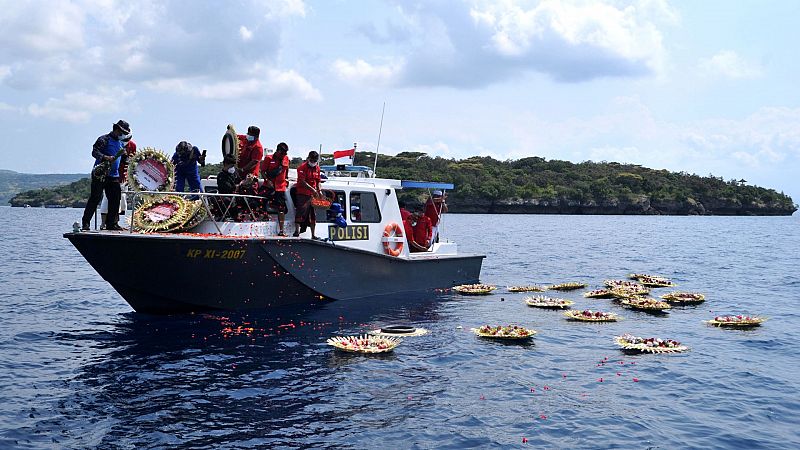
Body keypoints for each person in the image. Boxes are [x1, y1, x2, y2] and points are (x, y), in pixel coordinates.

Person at [81, 120, 131, 231]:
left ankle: (111, 224)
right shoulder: (104, 139)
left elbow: (124, 160)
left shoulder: (120, 143)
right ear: (117, 129)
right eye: (121, 132)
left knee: (115, 199)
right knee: (95, 198)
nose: (122, 134)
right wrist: (105, 157)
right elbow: (94, 152)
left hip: (113, 176)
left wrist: (127, 157)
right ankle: (85, 223)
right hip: (100, 174)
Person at [100, 138, 136, 229]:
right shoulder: (113, 143)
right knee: (107, 199)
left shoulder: (132, 145)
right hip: (111, 176)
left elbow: (132, 163)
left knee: (119, 201)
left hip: (124, 178)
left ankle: (115, 223)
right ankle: (103, 223)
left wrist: (130, 178)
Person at [261, 142, 290, 236]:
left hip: (280, 187)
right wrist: (267, 180)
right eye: (282, 153)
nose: (283, 155)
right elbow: (263, 171)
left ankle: (281, 230)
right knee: (261, 202)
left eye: (285, 153)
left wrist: (287, 178)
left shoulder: (286, 159)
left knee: (281, 208)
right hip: (269, 185)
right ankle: (263, 222)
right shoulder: (268, 158)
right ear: (277, 151)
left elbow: (286, 169)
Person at [293, 151, 321, 238]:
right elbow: (302, 181)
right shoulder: (302, 167)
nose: (313, 162)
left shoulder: (317, 168)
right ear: (308, 158)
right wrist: (313, 189)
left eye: (315, 161)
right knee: (300, 211)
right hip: (303, 193)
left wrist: (319, 189)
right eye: (312, 160)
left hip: (312, 195)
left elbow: (318, 180)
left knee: (313, 214)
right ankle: (296, 231)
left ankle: (313, 235)